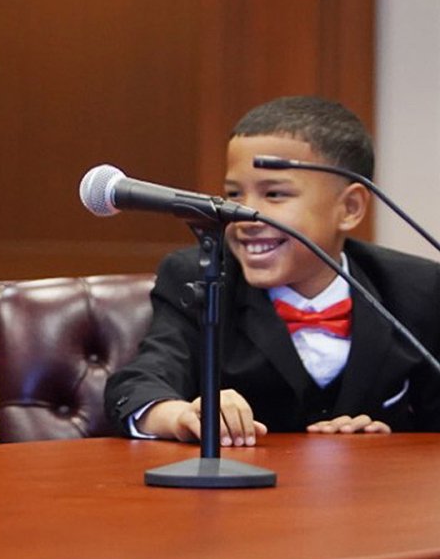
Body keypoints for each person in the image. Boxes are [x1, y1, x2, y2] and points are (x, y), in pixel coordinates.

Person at [105, 95, 440, 444]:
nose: (245, 215)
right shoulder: (200, 276)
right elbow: (139, 382)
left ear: (350, 208)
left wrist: (390, 443)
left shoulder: (418, 289)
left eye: (275, 195)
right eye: (234, 194)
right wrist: (178, 415)